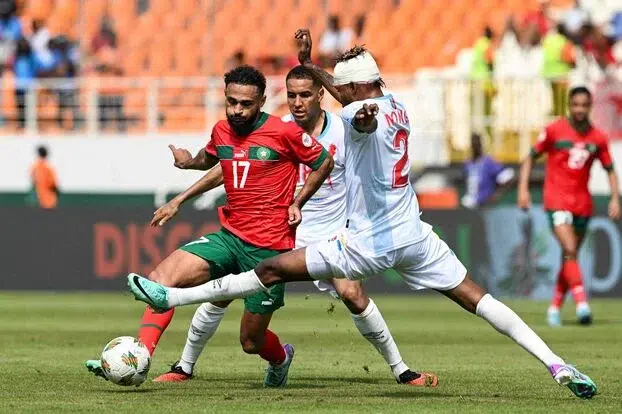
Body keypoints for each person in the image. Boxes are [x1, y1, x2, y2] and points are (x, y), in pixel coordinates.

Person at [128, 30, 599, 399]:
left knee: (269, 268)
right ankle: (557, 364)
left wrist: (353, 112)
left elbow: (356, 112)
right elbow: (351, 98)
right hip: (414, 233)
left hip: (366, 242)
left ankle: (172, 299)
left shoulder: (358, 115)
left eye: (338, 86)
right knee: (478, 299)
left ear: (352, 88)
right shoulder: (399, 107)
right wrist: (314, 67)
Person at [152, 65, 431, 386]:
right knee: (224, 290)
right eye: (292, 95)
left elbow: (368, 152)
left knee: (352, 293)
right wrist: (185, 188)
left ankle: (401, 369)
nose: (298, 103)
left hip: (328, 233)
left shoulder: (344, 130)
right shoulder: (277, 127)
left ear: (320, 95)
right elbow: (232, 163)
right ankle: (184, 366)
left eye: (305, 95)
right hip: (277, 231)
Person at [86, 65, 333, 388]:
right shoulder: (222, 130)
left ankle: (281, 358)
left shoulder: (284, 132)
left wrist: (297, 202)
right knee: (160, 282)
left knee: (251, 341)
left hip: (269, 251)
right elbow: (212, 158)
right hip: (229, 238)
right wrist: (187, 169)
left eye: (246, 104)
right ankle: (139, 357)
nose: (237, 110)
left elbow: (323, 161)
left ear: (260, 102)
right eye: (232, 102)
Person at [517, 86, 620, 327]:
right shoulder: (554, 131)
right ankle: (582, 304)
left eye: (584, 105)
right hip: (557, 200)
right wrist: (523, 189)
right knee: (571, 249)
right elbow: (530, 157)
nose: (580, 110)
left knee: (569, 257)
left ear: (590, 107)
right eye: (576, 105)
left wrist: (615, 198)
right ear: (569, 106)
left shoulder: (597, 138)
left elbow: (610, 170)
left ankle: (554, 308)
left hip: (582, 204)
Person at [462, 133, 515, 208]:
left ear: (481, 145)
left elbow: (508, 176)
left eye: (477, 144)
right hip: (469, 204)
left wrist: (495, 195)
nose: (475, 147)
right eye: (473, 144)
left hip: (484, 205)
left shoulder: (488, 162)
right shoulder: (468, 163)